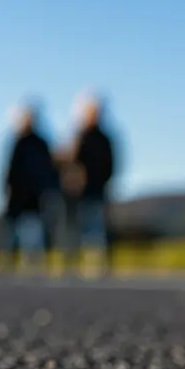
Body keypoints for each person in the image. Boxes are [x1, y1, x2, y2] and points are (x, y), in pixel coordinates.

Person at [61, 94, 117, 275]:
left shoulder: (104, 138)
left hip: (97, 191)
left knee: (97, 231)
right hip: (77, 195)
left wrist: (102, 180)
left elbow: (110, 165)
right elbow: (70, 163)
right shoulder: (78, 136)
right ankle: (71, 265)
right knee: (75, 230)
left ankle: (98, 266)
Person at [0, 103, 57, 272]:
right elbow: (10, 169)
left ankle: (33, 261)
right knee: (11, 229)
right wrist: (7, 187)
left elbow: (49, 169)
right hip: (16, 195)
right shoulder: (17, 141)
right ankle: (7, 261)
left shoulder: (40, 143)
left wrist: (46, 188)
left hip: (35, 196)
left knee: (33, 229)